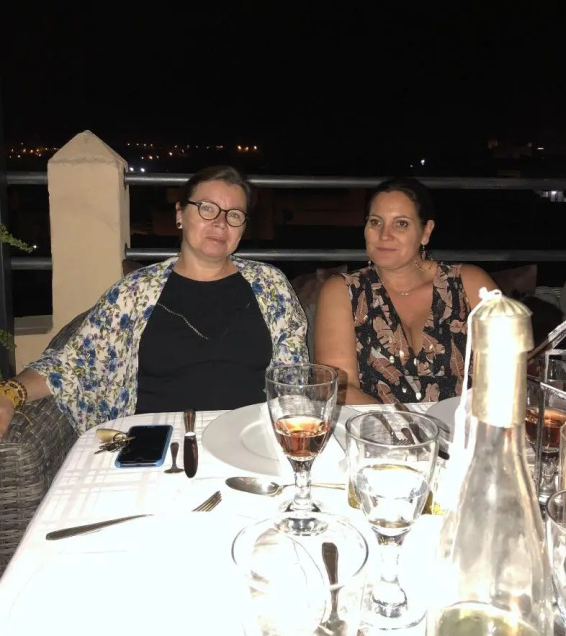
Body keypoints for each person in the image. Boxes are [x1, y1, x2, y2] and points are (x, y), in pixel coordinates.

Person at [0, 166, 308, 437]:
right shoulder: (134, 293)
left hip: (249, 439)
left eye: (234, 215)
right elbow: (72, 366)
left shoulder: (270, 286)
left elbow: (295, 380)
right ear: (179, 214)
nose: (221, 223)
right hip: (157, 445)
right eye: (207, 208)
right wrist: (10, 393)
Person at [314, 176, 498, 405]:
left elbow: (505, 373)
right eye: (375, 222)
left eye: (401, 224)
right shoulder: (343, 291)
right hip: (374, 425)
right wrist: (402, 422)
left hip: (464, 425)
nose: (384, 235)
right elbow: (339, 387)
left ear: (426, 232)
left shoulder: (470, 284)